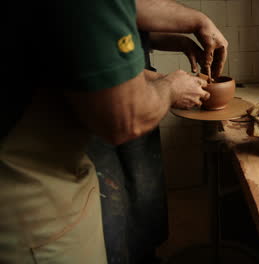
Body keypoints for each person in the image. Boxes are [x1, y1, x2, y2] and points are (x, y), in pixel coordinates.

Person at [0, 0, 227, 263]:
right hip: (29, 197)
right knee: (116, 220)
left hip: (42, 166)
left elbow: (91, 28)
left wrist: (196, 21)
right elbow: (125, 118)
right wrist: (170, 87)